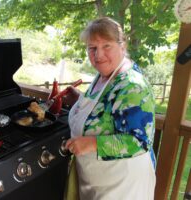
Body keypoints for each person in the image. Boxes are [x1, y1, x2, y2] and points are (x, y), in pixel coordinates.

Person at [64, 17, 156, 200]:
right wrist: (80, 100)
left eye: (106, 46)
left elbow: (139, 141)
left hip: (122, 186)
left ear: (122, 46)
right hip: (99, 181)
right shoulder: (103, 76)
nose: (98, 55)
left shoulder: (132, 84)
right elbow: (107, 108)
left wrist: (92, 143)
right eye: (92, 48)